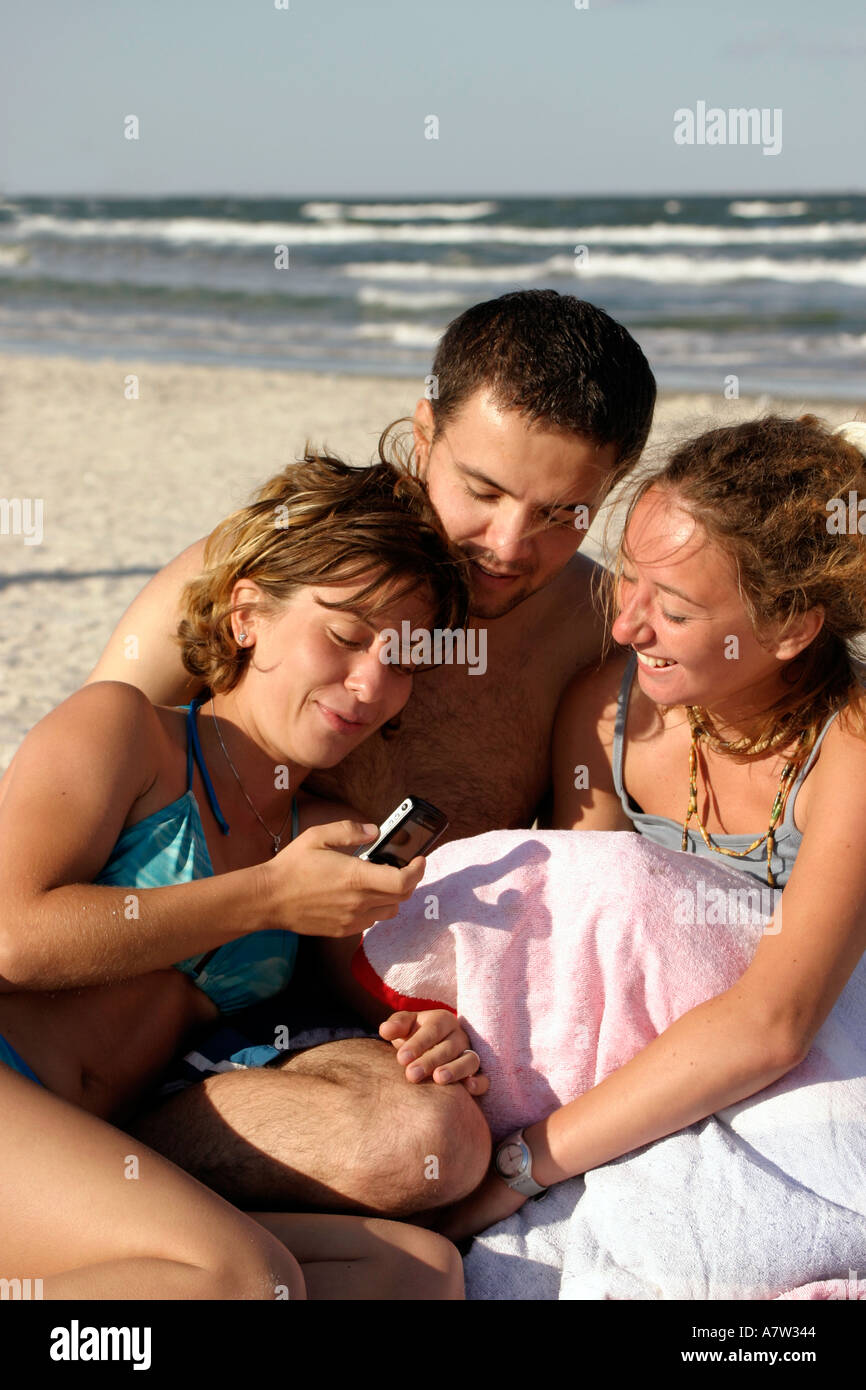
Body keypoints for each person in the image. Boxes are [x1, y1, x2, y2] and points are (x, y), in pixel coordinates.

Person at [77, 291, 657, 1211]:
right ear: (422, 431)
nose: (511, 545)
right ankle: (74, 1166)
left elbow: (587, 888)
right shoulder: (257, 577)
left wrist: (454, 1032)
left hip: (352, 1024)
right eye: (484, 490)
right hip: (140, 1001)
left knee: (424, 1142)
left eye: (562, 512)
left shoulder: (594, 638)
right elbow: (66, 807)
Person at [0, 452, 481, 1298]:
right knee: (234, 1276)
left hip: (96, 1148)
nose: (371, 685)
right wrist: (264, 897)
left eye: (403, 660)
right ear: (246, 613)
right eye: (344, 637)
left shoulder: (327, 835)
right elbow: (12, 937)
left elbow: (372, 999)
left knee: (412, 1273)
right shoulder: (127, 733)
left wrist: (428, 1037)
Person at [433, 414, 866, 1239]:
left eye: (670, 606)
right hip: (644, 1065)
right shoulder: (610, 709)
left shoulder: (850, 750)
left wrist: (520, 1167)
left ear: (791, 627)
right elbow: (574, 940)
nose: (628, 625)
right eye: (626, 579)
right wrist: (454, 1023)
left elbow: (775, 1026)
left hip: (810, 1057)